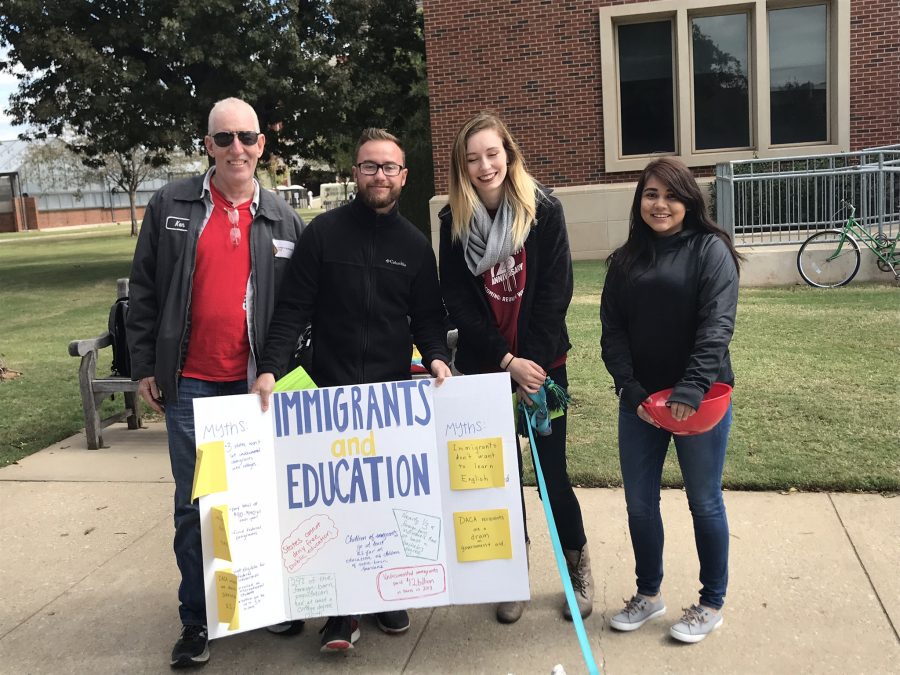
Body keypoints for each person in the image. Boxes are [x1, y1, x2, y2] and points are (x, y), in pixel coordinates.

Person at [252, 128, 452, 653]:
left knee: (385, 499)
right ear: (355, 172)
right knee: (333, 505)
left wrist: (436, 358)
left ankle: (386, 592)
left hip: (389, 400)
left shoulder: (413, 244)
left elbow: (428, 318)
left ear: (403, 177)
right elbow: (293, 309)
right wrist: (271, 366)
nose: (379, 175)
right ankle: (340, 615)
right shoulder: (323, 235)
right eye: (369, 166)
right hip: (328, 396)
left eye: (389, 167)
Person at [126, 97, 305, 669]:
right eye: (224, 138)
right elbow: (145, 289)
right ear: (207, 144)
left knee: (261, 501)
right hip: (191, 386)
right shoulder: (171, 204)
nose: (237, 149)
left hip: (257, 386)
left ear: (262, 146)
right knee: (196, 505)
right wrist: (145, 366)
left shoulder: (282, 217)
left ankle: (263, 603)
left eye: (247, 138)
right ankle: (197, 619)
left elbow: (299, 305)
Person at [438, 111, 593, 624]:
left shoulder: (543, 210)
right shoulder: (452, 222)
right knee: (499, 478)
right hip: (488, 369)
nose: (485, 166)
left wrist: (533, 368)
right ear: (462, 166)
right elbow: (457, 303)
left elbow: (555, 292)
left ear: (509, 153)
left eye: (493, 153)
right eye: (473, 158)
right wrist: (506, 362)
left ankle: (577, 565)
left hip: (546, 366)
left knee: (552, 472)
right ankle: (512, 576)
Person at [600, 157, 742, 643]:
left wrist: (689, 389)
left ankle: (710, 602)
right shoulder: (624, 261)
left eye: (670, 195)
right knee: (640, 504)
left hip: (698, 401)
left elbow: (717, 327)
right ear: (639, 200)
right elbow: (612, 333)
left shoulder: (711, 251)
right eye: (650, 194)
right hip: (641, 404)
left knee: (704, 501)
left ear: (689, 201)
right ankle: (648, 593)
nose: (659, 205)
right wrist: (632, 390)